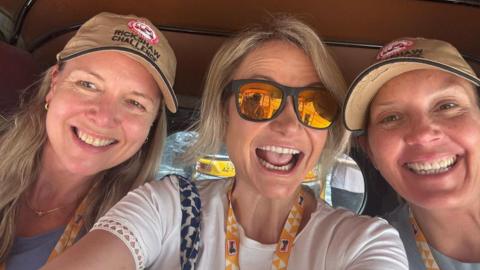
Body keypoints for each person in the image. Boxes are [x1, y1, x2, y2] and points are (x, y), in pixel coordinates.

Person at [43, 15, 407, 270]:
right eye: (258, 98)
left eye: (315, 105)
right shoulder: (167, 207)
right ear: (225, 110)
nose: (287, 124)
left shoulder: (364, 242)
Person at [0, 12, 178, 270]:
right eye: (88, 84)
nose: (104, 118)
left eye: (134, 103)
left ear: (150, 126)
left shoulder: (146, 229)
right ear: (54, 85)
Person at [344, 37, 480, 269]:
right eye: (391, 117)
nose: (422, 134)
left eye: (446, 106)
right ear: (370, 151)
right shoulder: (369, 253)